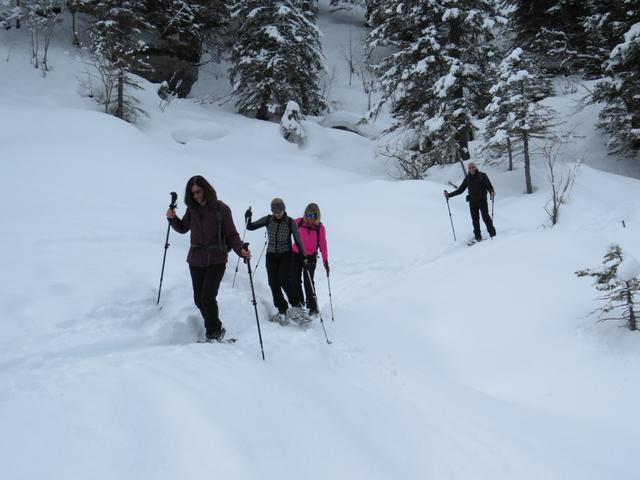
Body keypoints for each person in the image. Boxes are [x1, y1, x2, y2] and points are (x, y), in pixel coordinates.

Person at [167, 175, 251, 342]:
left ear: (206, 189)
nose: (196, 196)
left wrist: (240, 250)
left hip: (216, 259)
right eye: (193, 194)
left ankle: (213, 332)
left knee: (207, 297)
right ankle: (215, 328)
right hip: (196, 259)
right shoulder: (192, 210)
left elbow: (232, 235)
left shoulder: (221, 209)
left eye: (198, 192)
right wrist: (172, 218)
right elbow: (183, 228)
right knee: (199, 300)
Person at [245, 198, 306, 324]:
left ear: (284, 209)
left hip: (286, 255)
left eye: (280, 210)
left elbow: (298, 241)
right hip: (271, 255)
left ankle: (296, 306)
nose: (278, 213)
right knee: (273, 282)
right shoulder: (268, 219)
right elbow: (250, 227)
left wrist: (303, 256)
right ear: (272, 211)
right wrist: (248, 217)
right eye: (275, 211)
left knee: (284, 279)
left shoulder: (290, 222)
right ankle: (282, 309)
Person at [291, 203, 329, 317]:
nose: (308, 218)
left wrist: (325, 261)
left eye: (311, 216)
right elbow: (286, 226)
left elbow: (323, 245)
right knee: (294, 279)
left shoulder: (319, 228)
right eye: (306, 214)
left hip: (310, 257)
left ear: (316, 216)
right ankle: (299, 305)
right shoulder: (298, 222)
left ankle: (312, 307)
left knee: (308, 282)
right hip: (296, 254)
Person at [444, 162, 496, 242]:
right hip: (472, 201)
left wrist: (491, 191)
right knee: (475, 219)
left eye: (473, 167)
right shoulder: (467, 178)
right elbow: (460, 190)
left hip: (482, 200)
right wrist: (449, 195)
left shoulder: (482, 175)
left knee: (485, 217)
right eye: (470, 167)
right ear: (468, 169)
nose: (472, 168)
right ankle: (478, 236)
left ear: (476, 167)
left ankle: (492, 233)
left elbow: (488, 185)